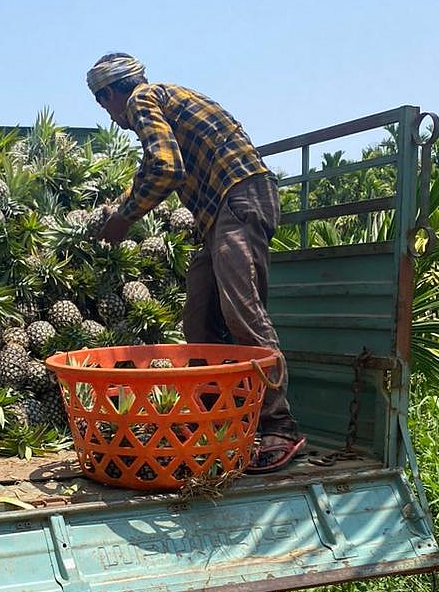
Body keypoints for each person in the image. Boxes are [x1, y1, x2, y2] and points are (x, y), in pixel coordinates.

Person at [86, 52, 305, 474]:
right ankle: (215, 417)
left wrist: (124, 219)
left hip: (239, 199)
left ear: (112, 92)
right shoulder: (165, 99)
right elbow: (158, 164)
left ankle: (280, 424)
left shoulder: (142, 99)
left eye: (102, 103)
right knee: (199, 316)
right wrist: (123, 204)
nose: (111, 115)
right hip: (221, 214)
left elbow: (165, 167)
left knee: (244, 314)